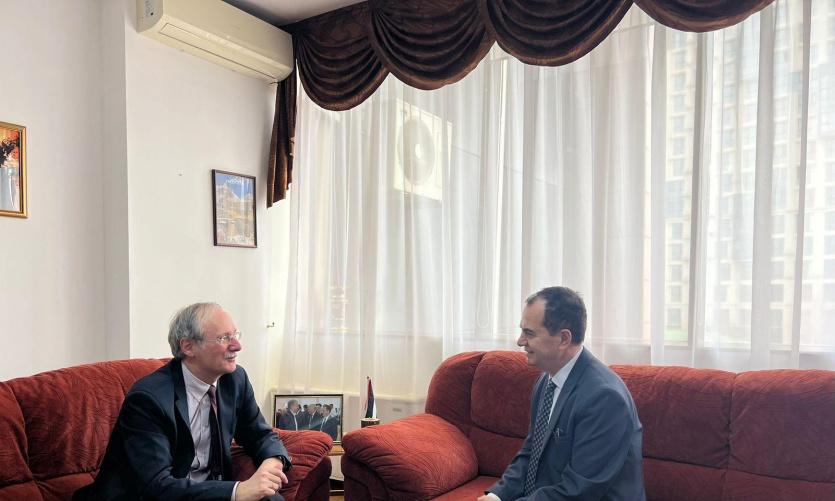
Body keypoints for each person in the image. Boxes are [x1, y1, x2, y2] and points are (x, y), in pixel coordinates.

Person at [74, 303, 291, 501]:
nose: (237, 346)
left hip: (208, 493)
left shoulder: (234, 380)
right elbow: (156, 487)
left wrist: (272, 464)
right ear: (188, 346)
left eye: (235, 335)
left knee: (271, 499)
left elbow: (260, 434)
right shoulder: (148, 399)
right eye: (224, 338)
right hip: (153, 497)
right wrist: (238, 491)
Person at [479, 287, 645, 501]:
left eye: (529, 333)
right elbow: (532, 452)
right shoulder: (546, 380)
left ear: (564, 339)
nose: (520, 341)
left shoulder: (604, 398)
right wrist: (497, 496)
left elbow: (580, 490)